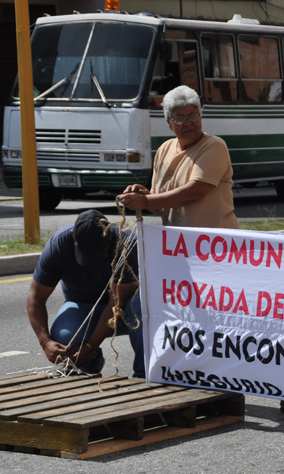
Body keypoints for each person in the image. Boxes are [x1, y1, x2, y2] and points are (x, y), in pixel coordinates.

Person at [27, 210, 144, 377]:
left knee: (141, 305)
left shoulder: (127, 245)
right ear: (74, 236)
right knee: (64, 335)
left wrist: (91, 346)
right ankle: (88, 363)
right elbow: (35, 299)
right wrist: (45, 342)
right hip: (85, 307)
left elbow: (115, 304)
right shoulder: (58, 245)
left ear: (109, 236)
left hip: (124, 311)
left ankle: (144, 372)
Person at [119, 85, 239, 229]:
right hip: (179, 244)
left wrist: (145, 201)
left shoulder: (214, 146)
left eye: (193, 116)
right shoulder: (164, 149)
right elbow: (158, 207)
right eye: (180, 118)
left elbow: (193, 192)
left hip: (215, 243)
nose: (188, 123)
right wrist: (144, 195)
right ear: (169, 123)